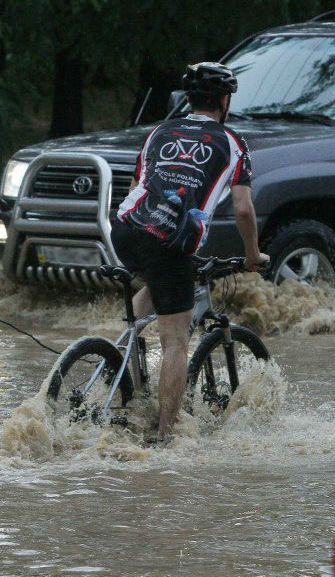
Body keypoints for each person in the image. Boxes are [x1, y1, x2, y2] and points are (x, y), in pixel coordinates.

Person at [110, 61, 269, 444]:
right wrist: (253, 255)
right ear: (225, 100)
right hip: (169, 240)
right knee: (175, 341)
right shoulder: (231, 142)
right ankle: (165, 437)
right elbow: (244, 209)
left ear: (188, 98)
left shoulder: (158, 133)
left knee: (158, 281)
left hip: (125, 229)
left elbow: (138, 186)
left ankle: (117, 351)